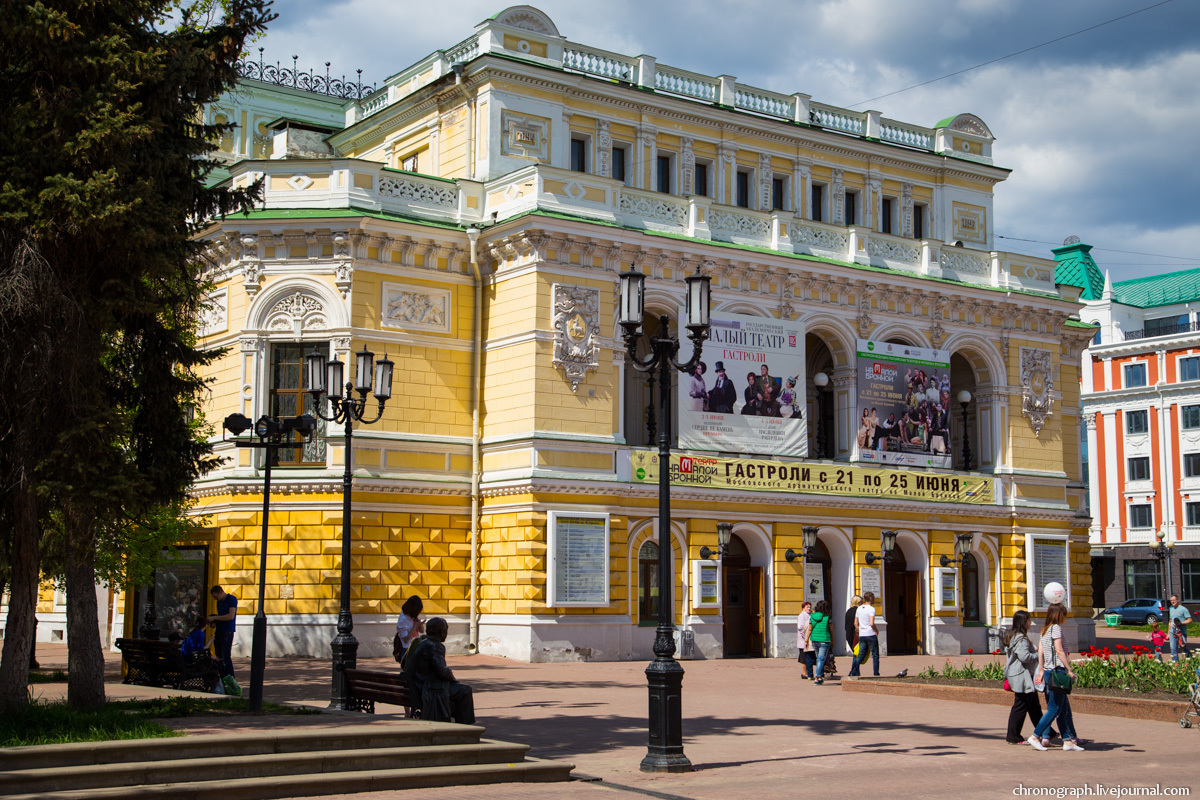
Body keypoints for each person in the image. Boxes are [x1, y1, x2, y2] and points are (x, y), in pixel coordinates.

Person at [1030, 603, 1083, 751]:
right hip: (1057, 671)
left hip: (1048, 672)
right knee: (1054, 708)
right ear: (1059, 614)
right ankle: (1035, 736)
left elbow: (1040, 652)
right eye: (1063, 614)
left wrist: (1041, 670)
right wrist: (1069, 669)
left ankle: (1067, 741)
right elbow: (1059, 651)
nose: (1064, 617)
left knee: (1062, 707)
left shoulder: (1044, 630)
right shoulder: (1056, 628)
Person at [406, 617, 475, 724]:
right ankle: (465, 727)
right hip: (429, 689)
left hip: (417, 686)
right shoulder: (435, 646)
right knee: (465, 691)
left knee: (458, 691)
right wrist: (452, 679)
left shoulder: (420, 643)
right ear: (441, 632)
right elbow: (442, 671)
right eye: (445, 630)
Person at [1004, 610, 1054, 744]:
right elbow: (1024, 657)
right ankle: (1013, 736)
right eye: (1028, 620)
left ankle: (1047, 732)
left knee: (1033, 707)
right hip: (1022, 676)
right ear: (1023, 622)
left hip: (1020, 675)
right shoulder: (1020, 638)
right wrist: (1039, 655)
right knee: (1021, 706)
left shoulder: (1013, 635)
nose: (1030, 623)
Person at [207, 585, 238, 678]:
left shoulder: (231, 599)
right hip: (219, 630)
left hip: (227, 631)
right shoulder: (219, 602)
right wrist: (214, 623)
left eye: (216, 596)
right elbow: (221, 617)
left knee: (226, 657)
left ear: (221, 592)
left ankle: (230, 677)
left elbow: (230, 616)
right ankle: (222, 676)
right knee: (218, 657)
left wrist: (215, 617)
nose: (215, 599)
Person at [854, 591, 880, 676]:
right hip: (870, 634)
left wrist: (859, 630)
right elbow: (871, 623)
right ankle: (876, 673)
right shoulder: (871, 609)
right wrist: (876, 630)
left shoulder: (859, 608)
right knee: (875, 655)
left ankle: (854, 669)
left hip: (862, 635)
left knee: (861, 654)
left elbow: (855, 623)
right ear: (871, 598)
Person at [395, 595, 425, 663]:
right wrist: (415, 626)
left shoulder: (412, 616)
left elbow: (422, 631)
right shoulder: (403, 620)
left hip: (415, 648)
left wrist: (419, 623)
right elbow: (405, 639)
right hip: (407, 650)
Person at [809, 600, 833, 685]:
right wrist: (832, 640)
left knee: (819, 658)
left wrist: (806, 640)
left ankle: (820, 677)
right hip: (824, 639)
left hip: (814, 639)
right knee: (821, 659)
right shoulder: (827, 618)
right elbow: (831, 629)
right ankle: (817, 677)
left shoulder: (812, 616)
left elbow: (810, 628)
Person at [1168, 595, 1193, 662]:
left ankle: (1191, 659)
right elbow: (1170, 621)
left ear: (1178, 600)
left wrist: (1181, 623)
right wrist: (1168, 633)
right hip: (1172, 632)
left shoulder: (1183, 609)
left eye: (1174, 600)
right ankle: (1176, 663)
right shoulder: (1171, 608)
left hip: (1181, 632)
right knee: (1173, 648)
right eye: (1171, 600)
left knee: (1182, 648)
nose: (1172, 601)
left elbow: (1190, 620)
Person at [844, 594, 862, 674]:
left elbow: (846, 625)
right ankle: (853, 671)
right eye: (861, 602)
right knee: (857, 654)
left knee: (856, 653)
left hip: (848, 634)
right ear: (857, 602)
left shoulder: (848, 611)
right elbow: (857, 623)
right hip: (855, 634)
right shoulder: (857, 611)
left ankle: (856, 671)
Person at [796, 601, 814, 679]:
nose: (809, 608)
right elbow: (800, 627)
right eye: (807, 607)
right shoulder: (802, 615)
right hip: (803, 640)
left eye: (810, 607)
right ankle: (804, 673)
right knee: (804, 657)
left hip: (806, 639)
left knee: (807, 656)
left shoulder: (808, 615)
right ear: (803, 608)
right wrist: (806, 636)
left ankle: (807, 672)